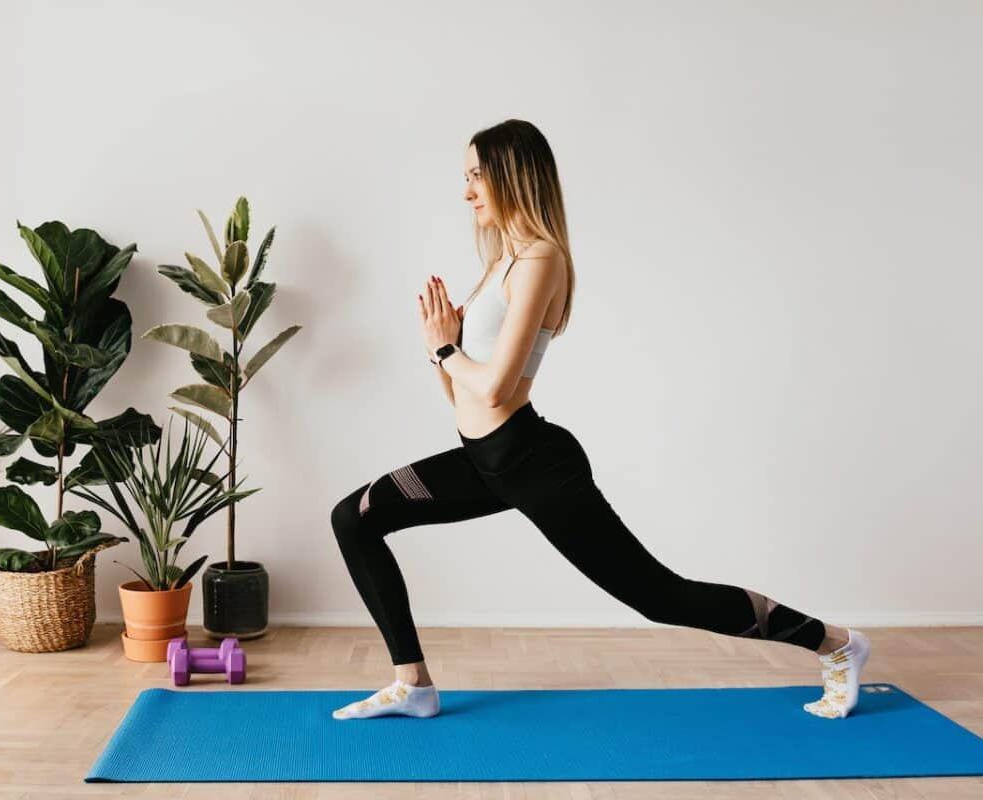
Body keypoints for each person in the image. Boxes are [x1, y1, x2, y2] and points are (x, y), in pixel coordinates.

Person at [329, 118, 870, 721]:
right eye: (466, 178)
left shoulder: (540, 259)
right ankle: (415, 684)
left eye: (476, 175)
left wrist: (444, 349)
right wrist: (442, 348)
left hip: (534, 463)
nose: (466, 191)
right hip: (484, 461)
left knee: (660, 596)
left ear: (512, 173)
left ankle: (838, 644)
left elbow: (501, 384)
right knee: (354, 518)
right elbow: (465, 399)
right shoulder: (498, 263)